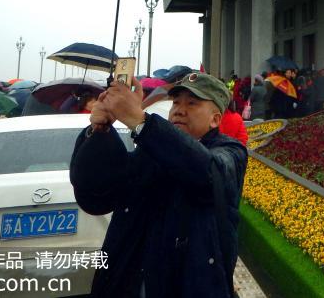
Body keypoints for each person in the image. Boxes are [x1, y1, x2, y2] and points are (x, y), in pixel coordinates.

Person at [70, 73, 247, 298]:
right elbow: (97, 197)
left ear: (215, 119)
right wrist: (99, 131)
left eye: (192, 103)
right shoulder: (150, 151)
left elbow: (205, 173)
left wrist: (140, 120)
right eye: (176, 102)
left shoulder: (230, 153)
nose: (180, 110)